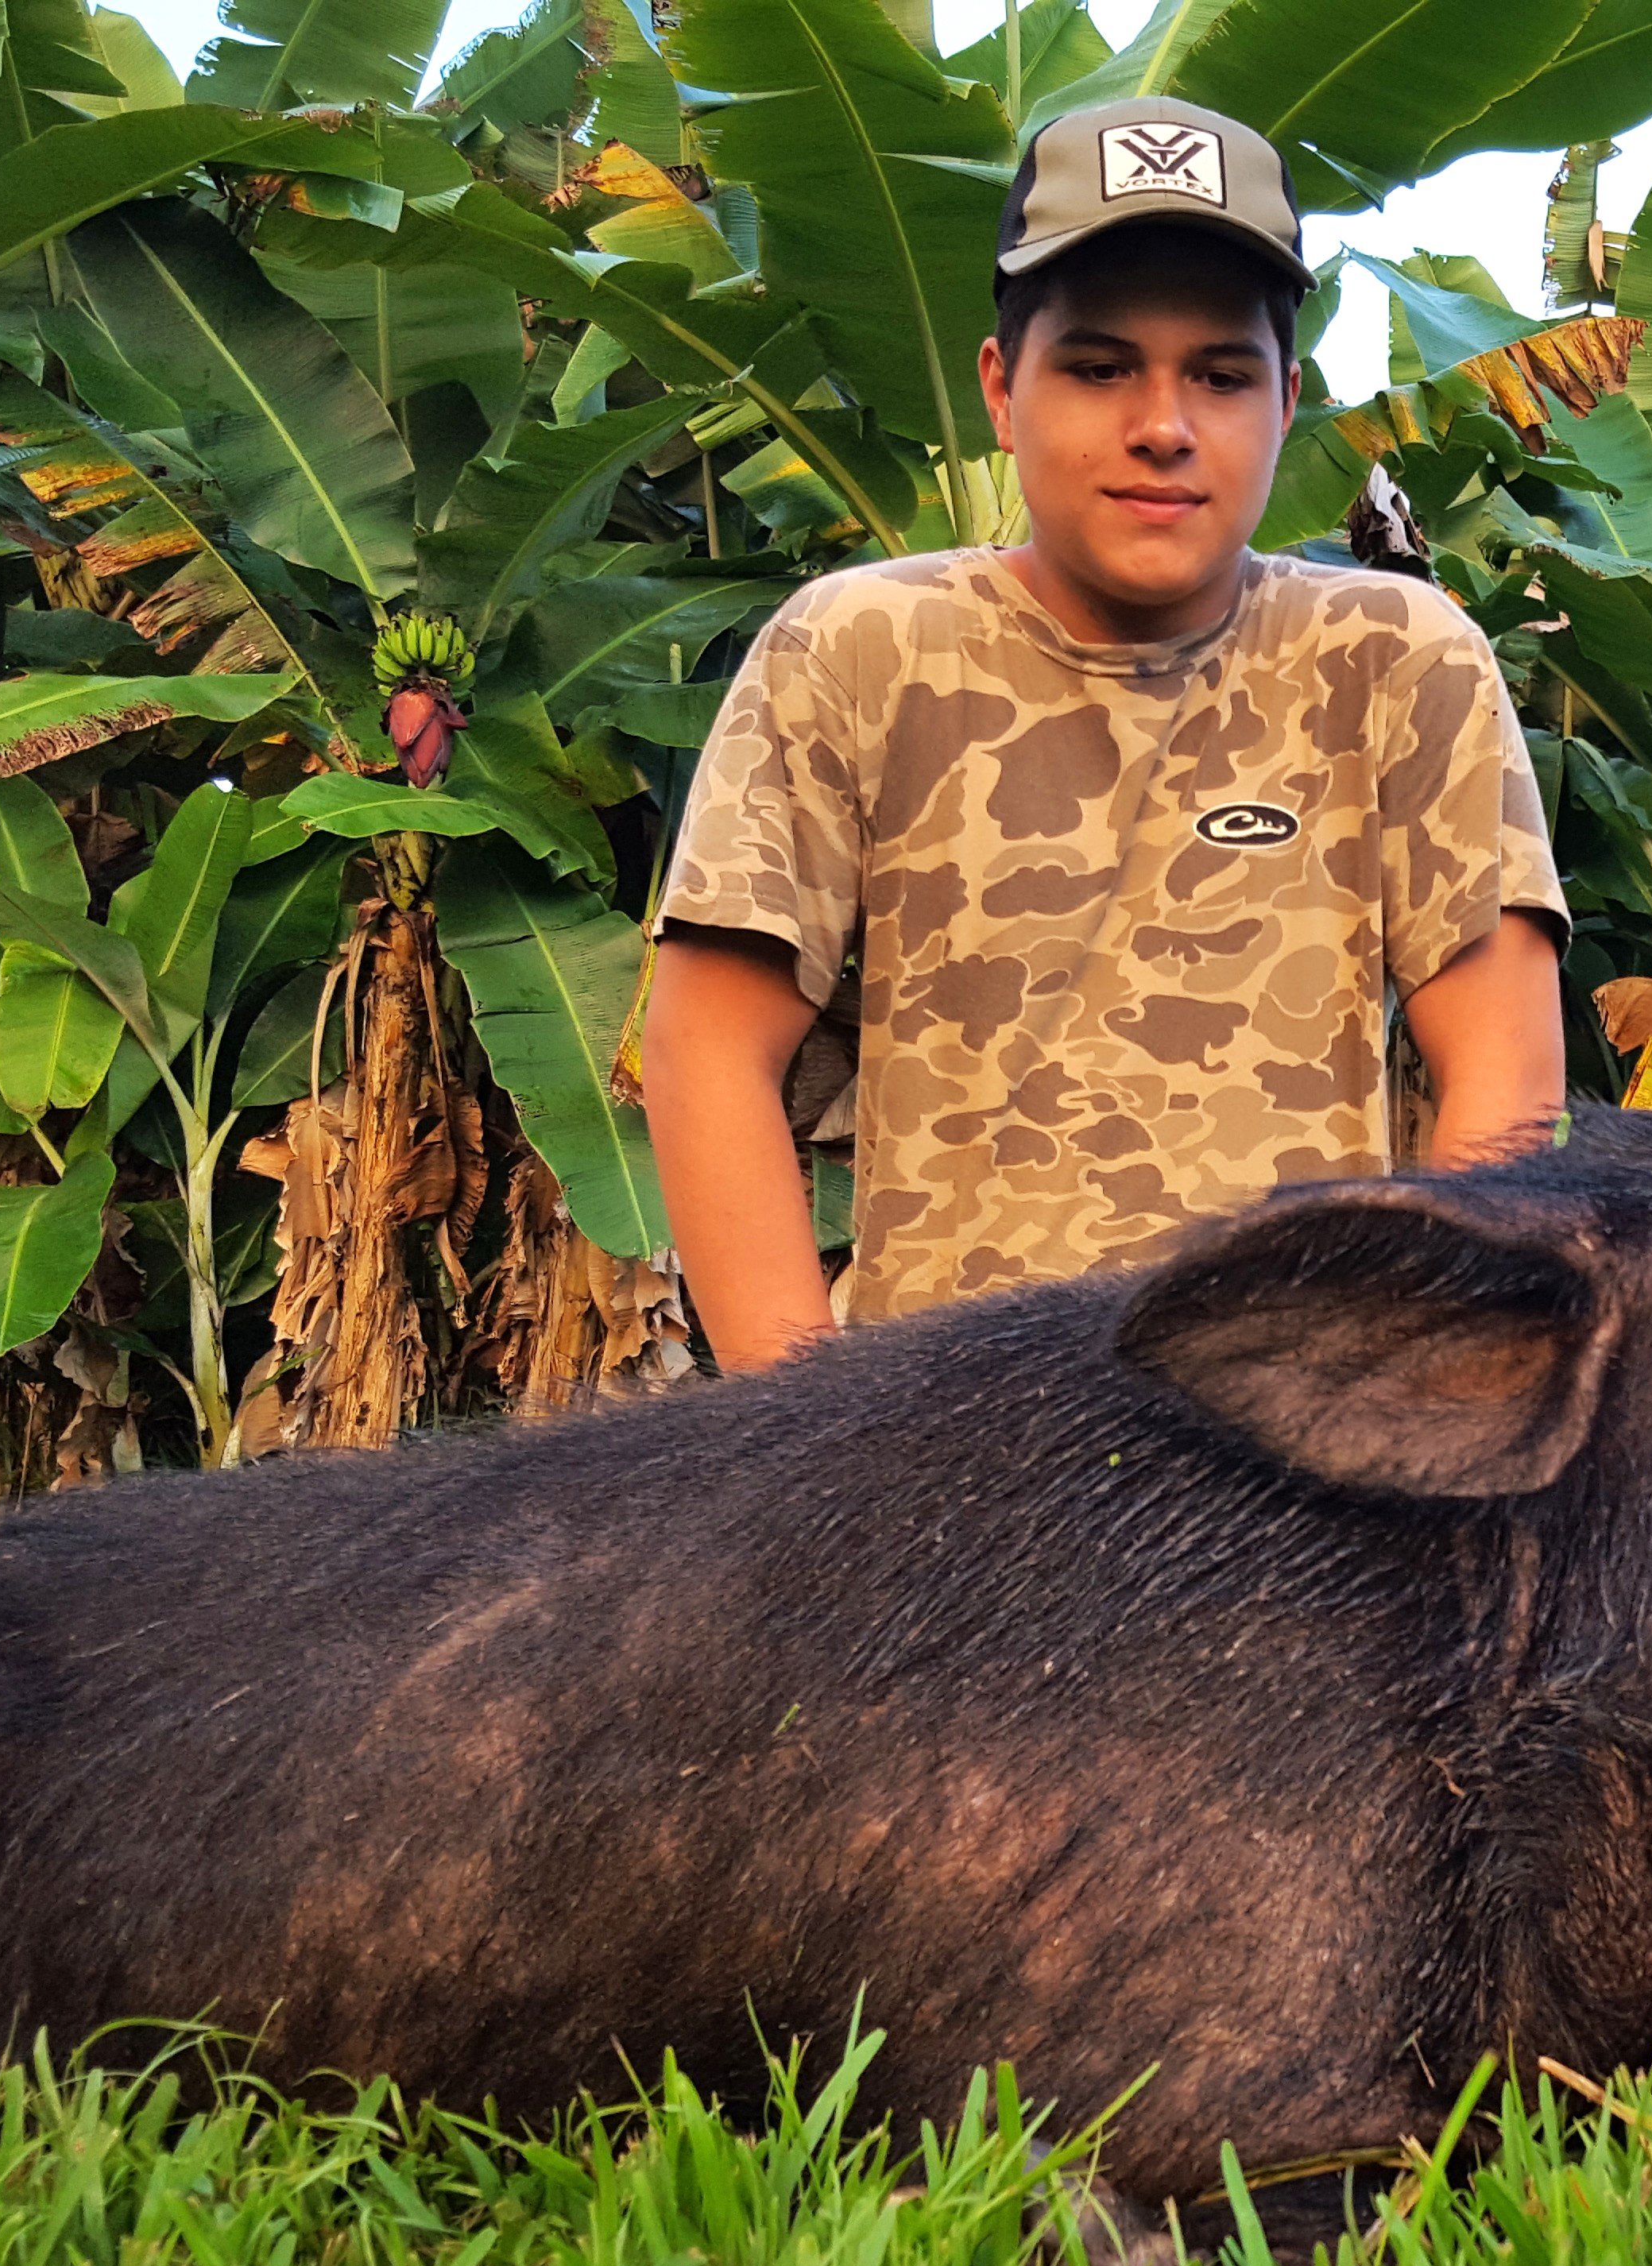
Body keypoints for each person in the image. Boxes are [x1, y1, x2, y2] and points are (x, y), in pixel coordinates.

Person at [640, 99, 1570, 1371]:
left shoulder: (1392, 660)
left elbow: (1505, 1091)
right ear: (1001, 391)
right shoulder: (857, 653)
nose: (1164, 424)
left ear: (1286, 401)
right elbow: (708, 1053)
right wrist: (805, 1453)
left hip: (1301, 1460)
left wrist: (1417, 1410)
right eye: (1098, 366)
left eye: (1221, 374)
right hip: (939, 1456)